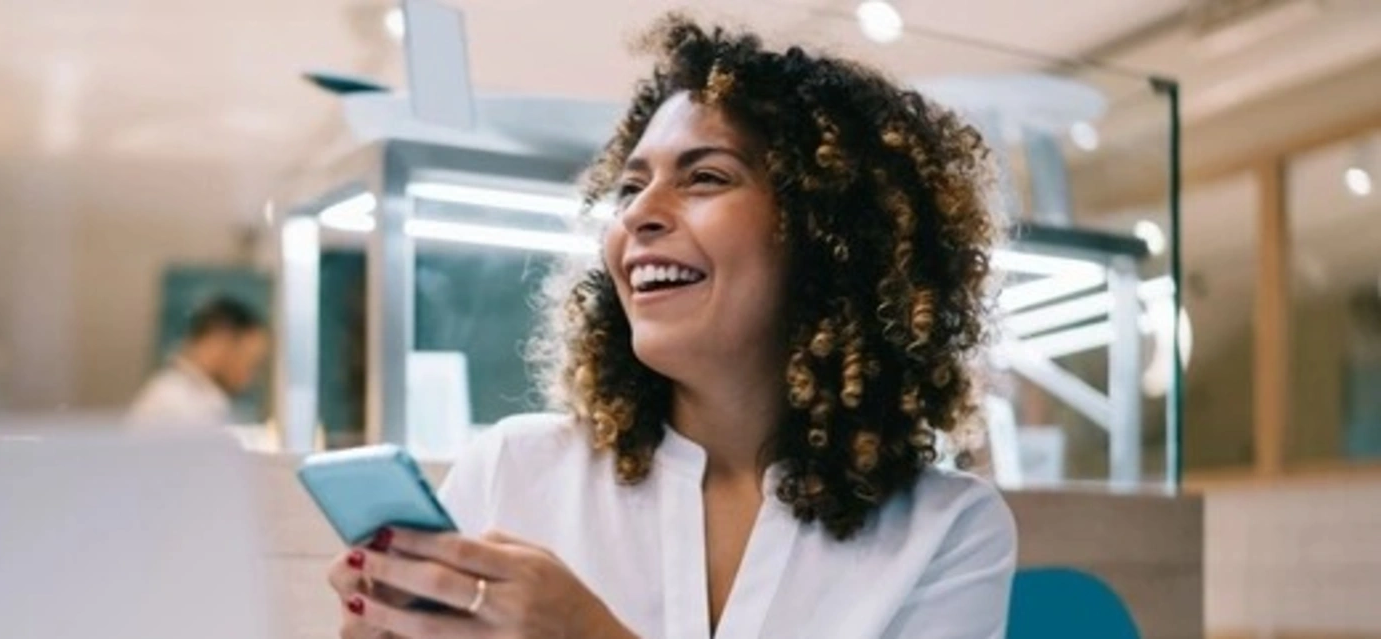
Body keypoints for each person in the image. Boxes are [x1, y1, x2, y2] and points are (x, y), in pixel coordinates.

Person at [325, 14, 1013, 639]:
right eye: (630, 188)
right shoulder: (512, 470)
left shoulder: (947, 529)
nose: (639, 215)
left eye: (706, 177)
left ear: (830, 233)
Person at [126, 295, 269, 426]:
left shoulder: (194, 401)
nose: (249, 379)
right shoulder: (173, 405)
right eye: (250, 364)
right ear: (220, 339)